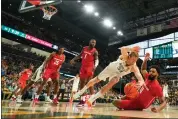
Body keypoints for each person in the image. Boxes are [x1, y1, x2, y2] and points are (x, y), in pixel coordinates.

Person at [73, 46, 144, 107]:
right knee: (96, 80)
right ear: (129, 57)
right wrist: (132, 49)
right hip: (110, 69)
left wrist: (141, 82)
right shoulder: (125, 56)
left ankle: (93, 98)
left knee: (114, 81)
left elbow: (139, 76)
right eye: (133, 59)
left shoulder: (134, 67)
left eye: (136, 60)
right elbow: (123, 48)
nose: (134, 61)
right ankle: (81, 91)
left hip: (117, 74)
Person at [70, 39, 99, 106]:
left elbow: (97, 60)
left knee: (89, 83)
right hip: (83, 67)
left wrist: (95, 66)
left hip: (90, 68)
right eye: (92, 42)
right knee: (82, 83)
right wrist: (73, 59)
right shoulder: (84, 48)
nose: (93, 43)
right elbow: (80, 55)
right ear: (89, 42)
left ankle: (93, 99)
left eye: (95, 43)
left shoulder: (95, 51)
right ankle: (82, 100)